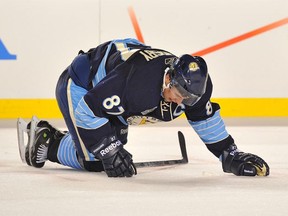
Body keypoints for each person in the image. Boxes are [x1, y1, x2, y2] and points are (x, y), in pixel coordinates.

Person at [23, 38, 269, 177]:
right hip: (81, 85)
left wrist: (230, 154)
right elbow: (88, 109)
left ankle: (77, 142)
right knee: (96, 160)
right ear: (168, 78)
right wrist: (107, 149)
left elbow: (203, 118)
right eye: (178, 93)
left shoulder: (196, 88)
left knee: (113, 148)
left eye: (188, 98)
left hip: (112, 89)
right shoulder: (138, 86)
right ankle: (47, 140)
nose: (180, 101)